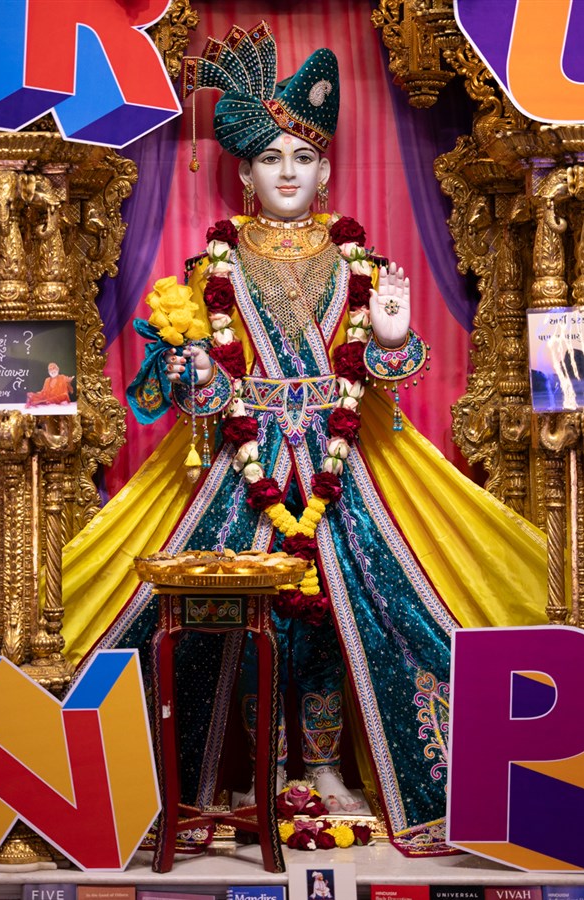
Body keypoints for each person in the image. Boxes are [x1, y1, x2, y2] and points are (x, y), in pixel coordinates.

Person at [121, 22, 453, 854]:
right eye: (270, 159)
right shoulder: (214, 269)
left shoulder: (360, 264)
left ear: (327, 169)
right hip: (248, 470)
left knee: (341, 620)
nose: (288, 173)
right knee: (242, 622)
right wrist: (198, 375)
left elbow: (390, 368)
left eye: (303, 157)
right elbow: (197, 395)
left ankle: (328, 770)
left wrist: (390, 337)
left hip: (339, 473)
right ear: (244, 173)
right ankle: (262, 774)